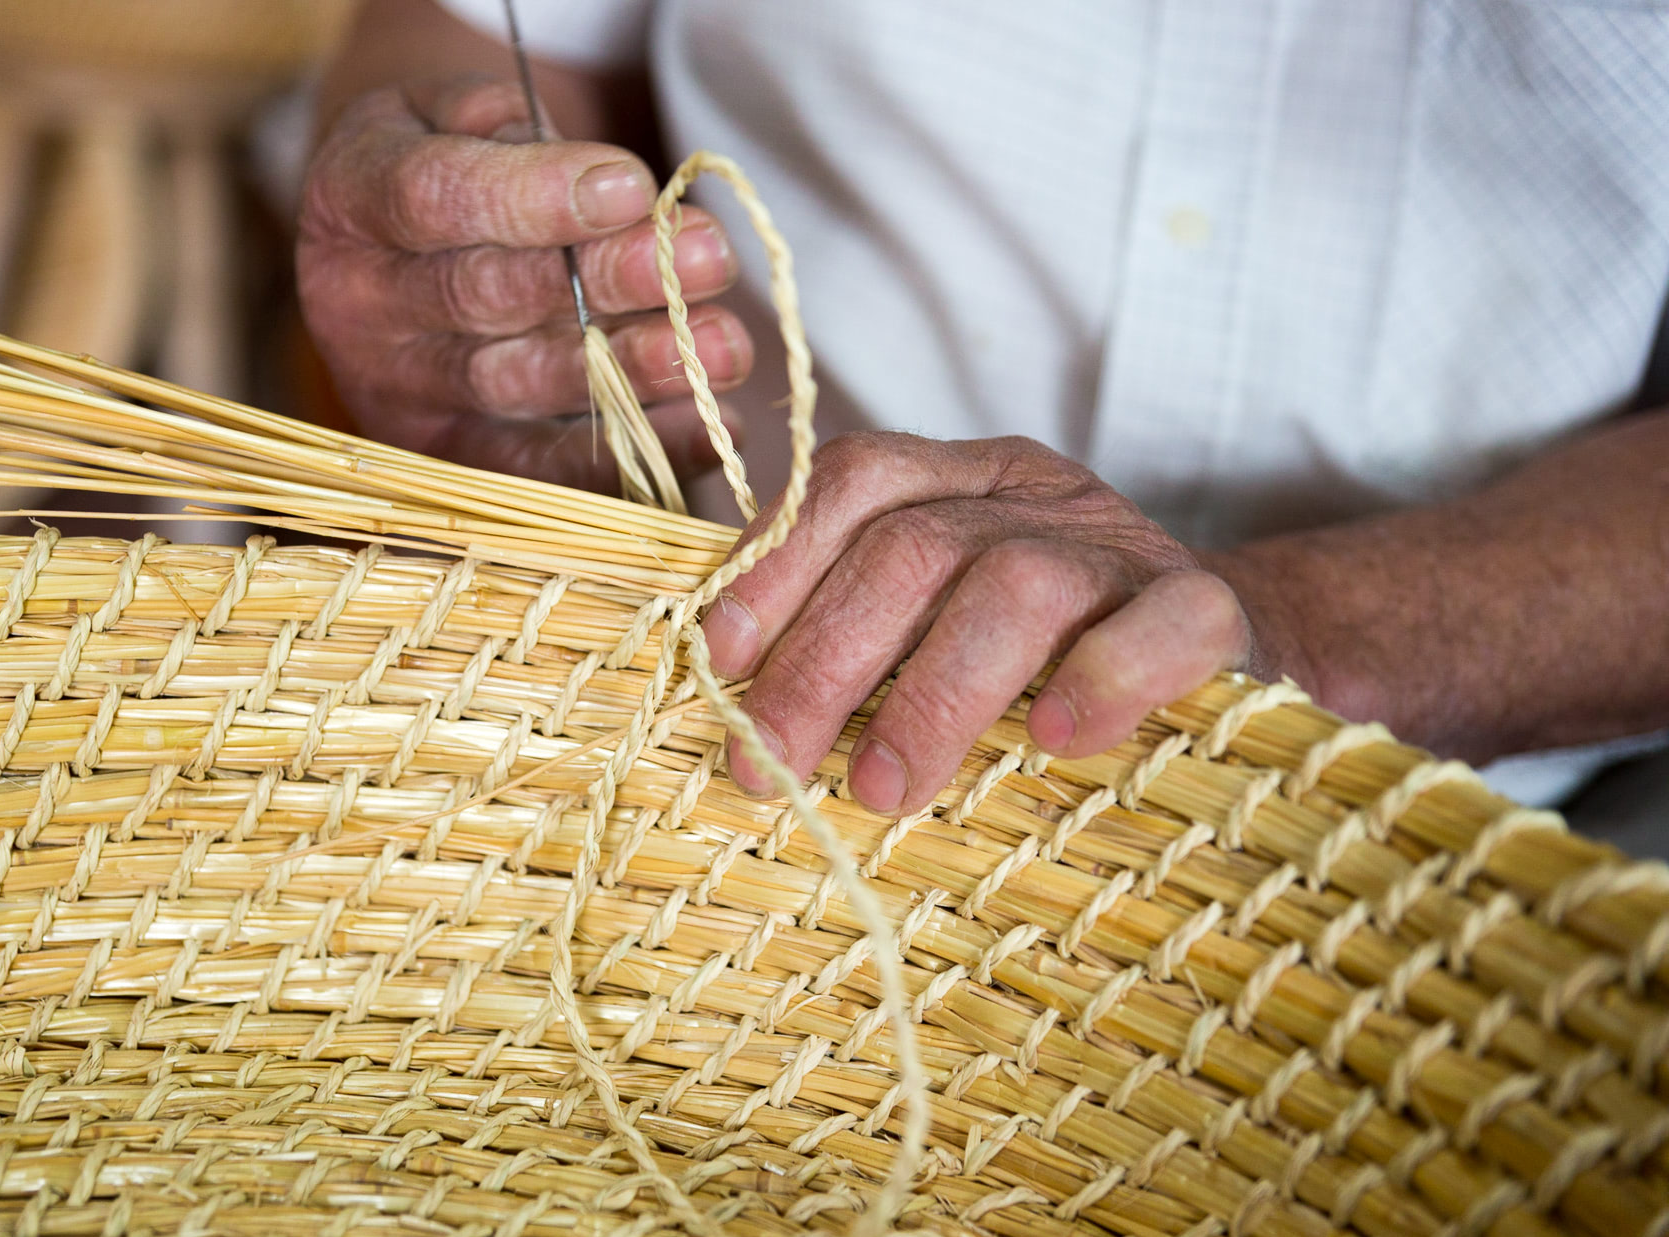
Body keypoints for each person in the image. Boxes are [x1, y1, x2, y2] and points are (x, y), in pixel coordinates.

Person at [296, 0, 1669, 830]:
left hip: (1510, 804)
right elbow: (479, 26)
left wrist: (1312, 628)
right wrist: (467, 248)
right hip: (707, 662)